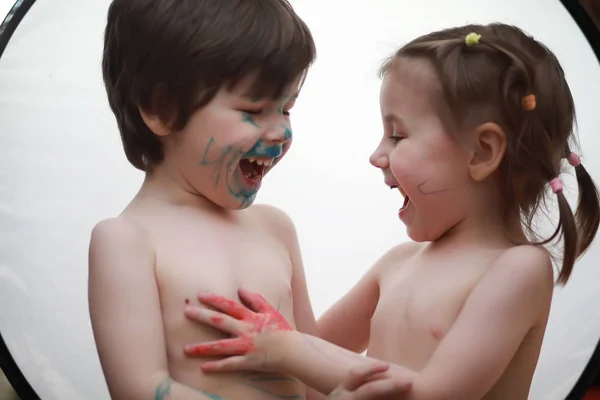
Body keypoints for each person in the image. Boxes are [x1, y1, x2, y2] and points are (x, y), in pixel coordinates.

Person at [180, 23, 600, 399]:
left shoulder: (518, 270)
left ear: (482, 152)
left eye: (397, 136)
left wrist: (283, 348)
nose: (377, 155)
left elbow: (432, 392)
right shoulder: (396, 265)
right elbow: (308, 369)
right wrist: (279, 256)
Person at [88, 1, 404, 399]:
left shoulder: (274, 228)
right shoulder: (127, 240)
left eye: (286, 110)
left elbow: (311, 368)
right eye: (254, 109)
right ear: (161, 108)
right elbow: (140, 389)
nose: (279, 132)